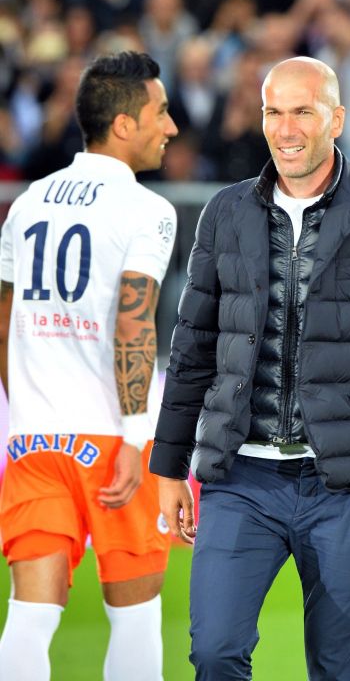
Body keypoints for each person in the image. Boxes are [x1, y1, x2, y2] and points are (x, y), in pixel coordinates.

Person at [149, 56, 350, 681]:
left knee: (337, 668)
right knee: (215, 654)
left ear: (336, 118)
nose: (286, 127)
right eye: (274, 111)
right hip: (238, 479)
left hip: (349, 488)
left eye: (302, 110)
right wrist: (168, 468)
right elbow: (193, 346)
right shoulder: (224, 212)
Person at [0, 50, 178, 681]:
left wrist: (25, 411)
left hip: (33, 439)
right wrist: (134, 439)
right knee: (135, 617)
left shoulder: (27, 203)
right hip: (110, 438)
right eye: (160, 111)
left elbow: (4, 318)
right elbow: (135, 323)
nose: (172, 127)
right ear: (124, 124)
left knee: (29, 615)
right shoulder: (147, 210)